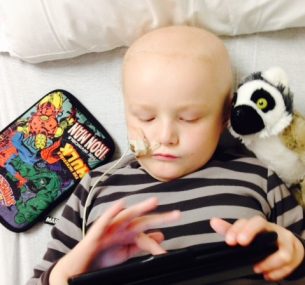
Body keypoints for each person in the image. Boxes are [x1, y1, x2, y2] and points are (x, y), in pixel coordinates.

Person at [27, 26, 305, 285]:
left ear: (224, 117)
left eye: (189, 118)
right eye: (145, 117)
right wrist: (69, 269)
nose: (165, 136)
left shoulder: (258, 177)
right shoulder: (94, 187)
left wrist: (292, 254)